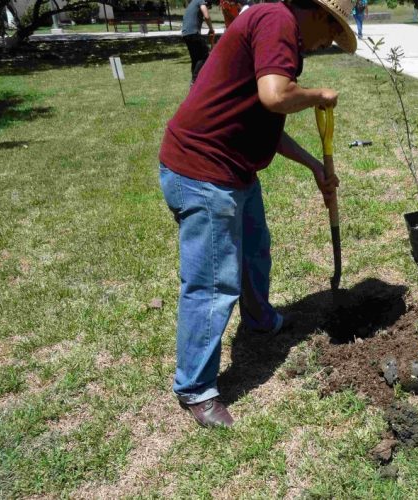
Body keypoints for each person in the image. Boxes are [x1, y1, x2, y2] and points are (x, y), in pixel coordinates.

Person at [158, 0, 357, 428]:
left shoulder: (280, 32)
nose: (328, 42)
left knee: (254, 252)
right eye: (332, 31)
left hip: (236, 169)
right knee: (213, 282)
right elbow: (275, 96)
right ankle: (195, 388)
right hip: (204, 170)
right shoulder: (277, 20)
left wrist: (314, 165)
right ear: (317, 13)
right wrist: (318, 95)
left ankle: (260, 319)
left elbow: (265, 120)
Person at [181, 0, 215, 84]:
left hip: (185, 34)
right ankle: (194, 80)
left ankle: (194, 81)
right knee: (205, 55)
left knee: (195, 58)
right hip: (193, 33)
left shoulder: (192, 3)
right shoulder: (200, 1)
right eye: (208, 7)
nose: (207, 8)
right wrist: (211, 29)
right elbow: (206, 16)